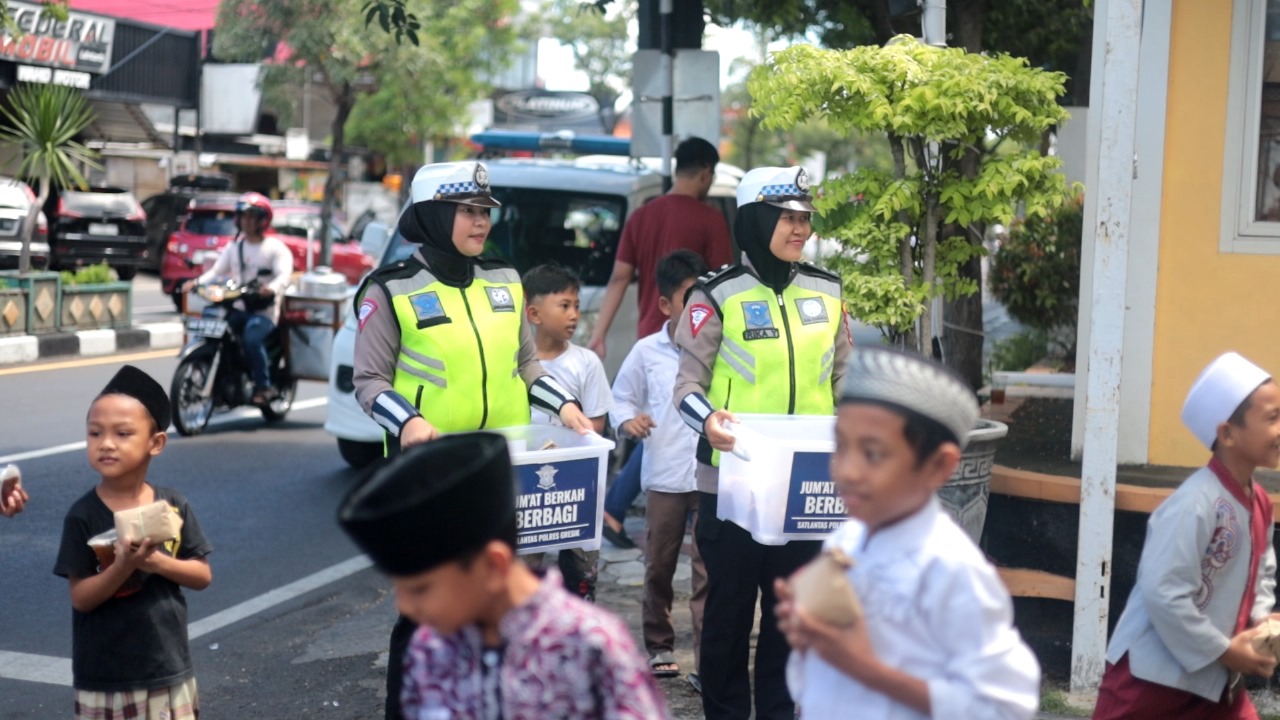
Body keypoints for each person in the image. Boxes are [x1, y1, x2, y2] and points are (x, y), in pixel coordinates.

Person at [351, 161, 593, 719]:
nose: (481, 221)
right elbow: (369, 381)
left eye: (484, 211)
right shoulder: (390, 289)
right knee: (429, 610)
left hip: (507, 470)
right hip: (431, 477)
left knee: (504, 600)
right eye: (467, 211)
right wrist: (409, 421)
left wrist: (566, 406)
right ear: (433, 216)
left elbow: (527, 366)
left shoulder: (504, 278)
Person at [672, 165, 854, 720]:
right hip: (733, 483)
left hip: (807, 485)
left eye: (805, 218)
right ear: (755, 220)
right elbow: (686, 388)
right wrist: (709, 422)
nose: (801, 229)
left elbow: (845, 382)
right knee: (727, 617)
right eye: (787, 218)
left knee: (790, 616)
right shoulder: (716, 294)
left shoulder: (827, 290)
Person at [774, 346, 1040, 718]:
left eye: (873, 453)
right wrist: (811, 635)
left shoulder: (951, 569)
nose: (847, 470)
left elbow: (1004, 707)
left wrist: (865, 667)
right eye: (840, 446)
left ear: (938, 465)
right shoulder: (845, 539)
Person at [338, 432, 668, 719]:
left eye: (421, 589)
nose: (406, 606)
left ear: (494, 567)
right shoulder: (430, 649)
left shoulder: (590, 645)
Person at [1092, 352, 1280, 719]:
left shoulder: (1258, 502)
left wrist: (1261, 622)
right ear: (1227, 434)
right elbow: (1163, 592)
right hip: (1151, 683)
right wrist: (1226, 651)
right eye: (1272, 418)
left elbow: (1261, 573)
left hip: (1214, 683)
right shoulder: (1196, 503)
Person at [590, 137, 734, 548]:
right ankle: (622, 508)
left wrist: (600, 333)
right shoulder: (709, 220)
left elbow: (620, 277)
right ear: (706, 173)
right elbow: (724, 285)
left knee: (662, 428)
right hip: (695, 343)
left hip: (651, 335)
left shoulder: (642, 216)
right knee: (677, 424)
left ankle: (617, 509)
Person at [52, 365, 213, 720]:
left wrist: (157, 563)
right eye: (95, 433)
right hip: (105, 677)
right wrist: (123, 566)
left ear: (156, 443)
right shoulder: (82, 515)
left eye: (122, 433)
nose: (106, 443)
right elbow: (81, 598)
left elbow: (202, 575)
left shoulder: (172, 505)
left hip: (167, 669)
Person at [610, 249, 709, 686]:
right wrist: (628, 421)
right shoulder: (647, 352)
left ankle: (708, 658)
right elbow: (620, 398)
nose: (699, 308)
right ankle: (659, 645)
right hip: (666, 476)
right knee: (659, 566)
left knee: (709, 570)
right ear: (666, 304)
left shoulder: (719, 348)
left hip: (711, 476)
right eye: (690, 298)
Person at [521, 262, 612, 599]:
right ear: (533, 313)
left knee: (581, 571)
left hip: (577, 485)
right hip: (527, 489)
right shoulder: (513, 366)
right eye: (564, 306)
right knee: (525, 573)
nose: (574, 314)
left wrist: (564, 447)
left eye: (576, 305)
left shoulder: (586, 363)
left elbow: (596, 425)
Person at [182, 191, 293, 406]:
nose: (247, 221)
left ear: (262, 220)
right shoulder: (234, 247)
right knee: (218, 332)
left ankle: (263, 386)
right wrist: (196, 283)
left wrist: (270, 288)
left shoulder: (275, 249)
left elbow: (284, 276)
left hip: (264, 313)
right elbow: (216, 271)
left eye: (252, 216)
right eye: (244, 216)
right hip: (239, 308)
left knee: (251, 339)